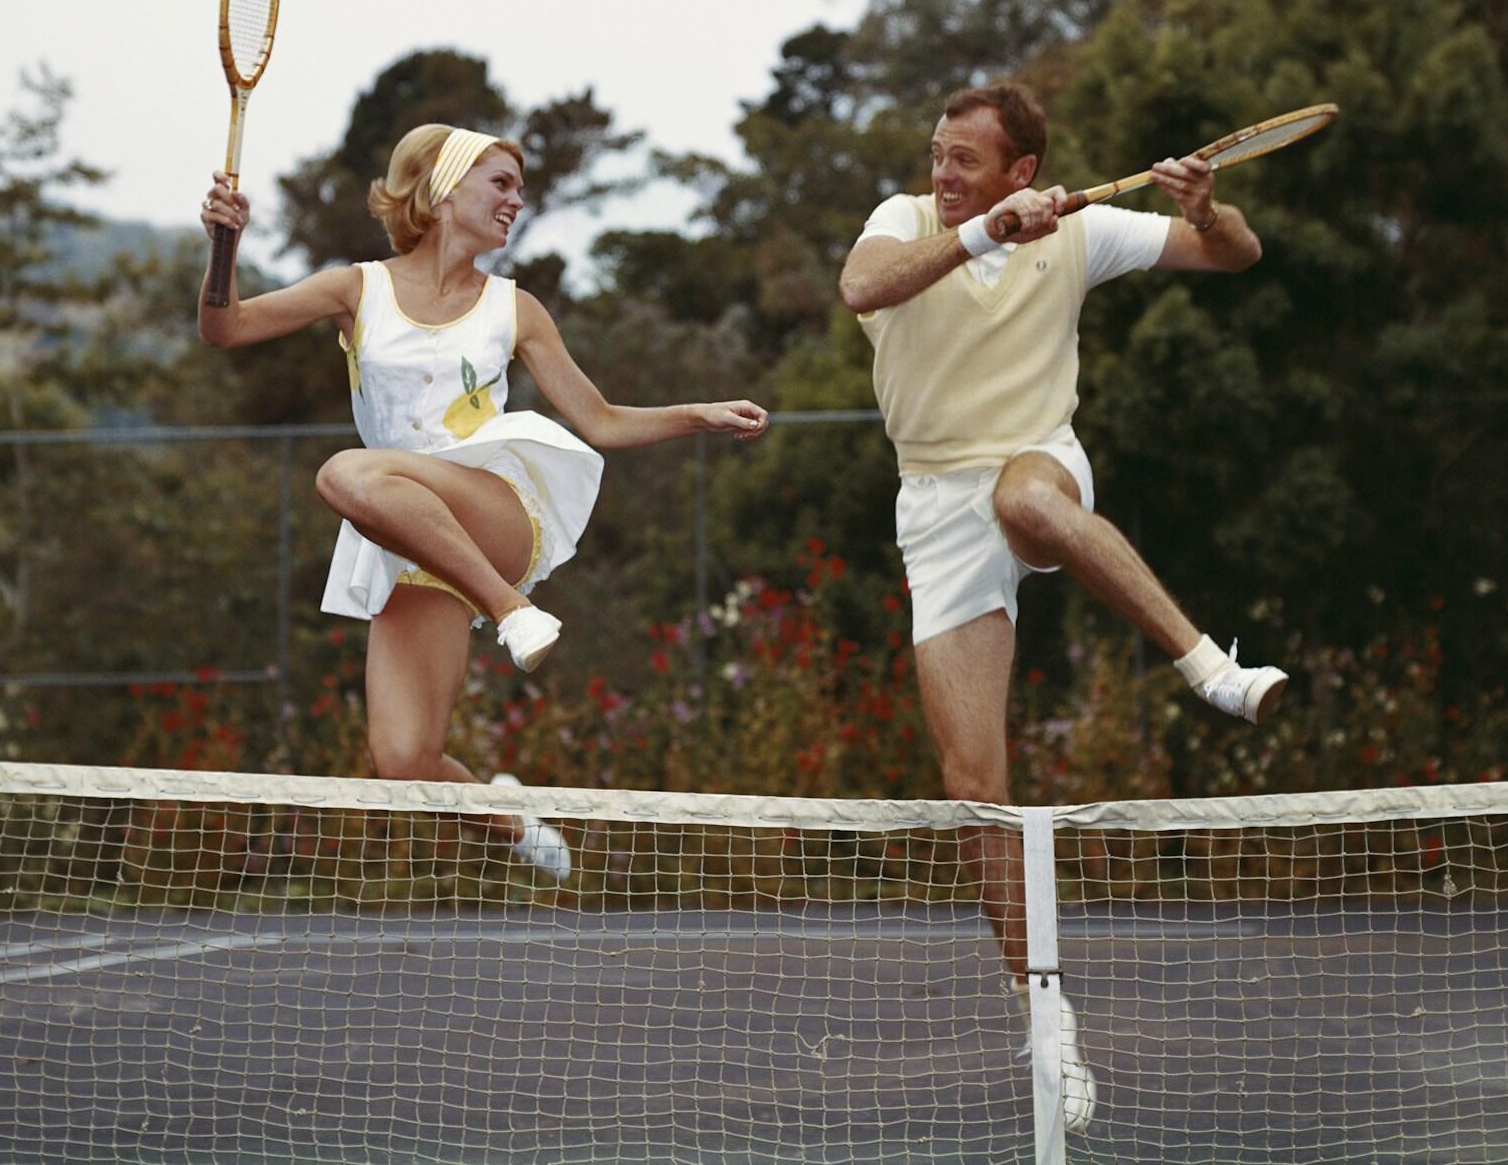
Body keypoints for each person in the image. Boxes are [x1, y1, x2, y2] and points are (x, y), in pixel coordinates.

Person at [837, 83, 1285, 1131]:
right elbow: (863, 288)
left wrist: (1208, 204)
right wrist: (982, 230)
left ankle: (1207, 664)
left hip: (1033, 460)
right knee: (974, 789)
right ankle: (1049, 1020)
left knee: (1028, 497)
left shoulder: (1081, 231)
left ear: (1022, 168)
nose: (942, 171)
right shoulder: (904, 222)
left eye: (965, 160)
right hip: (934, 502)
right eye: (938, 152)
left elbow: (1232, 255)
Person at [198, 124, 768, 880]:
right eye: (500, 183)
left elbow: (598, 421)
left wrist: (697, 415)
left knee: (345, 475)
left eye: (519, 189)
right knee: (404, 760)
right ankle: (516, 824)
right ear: (442, 190)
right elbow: (224, 327)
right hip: (413, 540)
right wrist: (224, 247)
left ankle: (511, 610)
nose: (516, 200)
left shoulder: (514, 308)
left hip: (495, 513)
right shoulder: (356, 289)